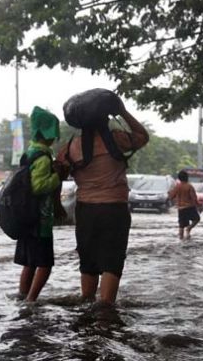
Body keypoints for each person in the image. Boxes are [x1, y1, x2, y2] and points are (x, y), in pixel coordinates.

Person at [57, 100, 149, 305]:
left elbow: (58, 175)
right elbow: (143, 136)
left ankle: (87, 305)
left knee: (88, 262)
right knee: (112, 262)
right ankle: (106, 312)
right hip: (114, 209)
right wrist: (123, 112)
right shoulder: (117, 139)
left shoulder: (70, 147)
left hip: (85, 211)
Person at [14, 106, 65, 302]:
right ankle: (31, 301)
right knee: (45, 264)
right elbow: (38, 186)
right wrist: (58, 176)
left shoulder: (30, 152)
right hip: (40, 221)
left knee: (30, 263)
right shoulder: (43, 157)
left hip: (27, 218)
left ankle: (22, 296)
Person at [168, 170, 201, 240]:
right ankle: (189, 228)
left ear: (179, 178)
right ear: (187, 177)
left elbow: (171, 197)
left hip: (180, 208)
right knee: (197, 219)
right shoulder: (189, 186)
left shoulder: (177, 187)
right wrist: (198, 206)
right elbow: (194, 198)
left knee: (181, 225)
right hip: (189, 207)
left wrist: (172, 196)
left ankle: (181, 239)